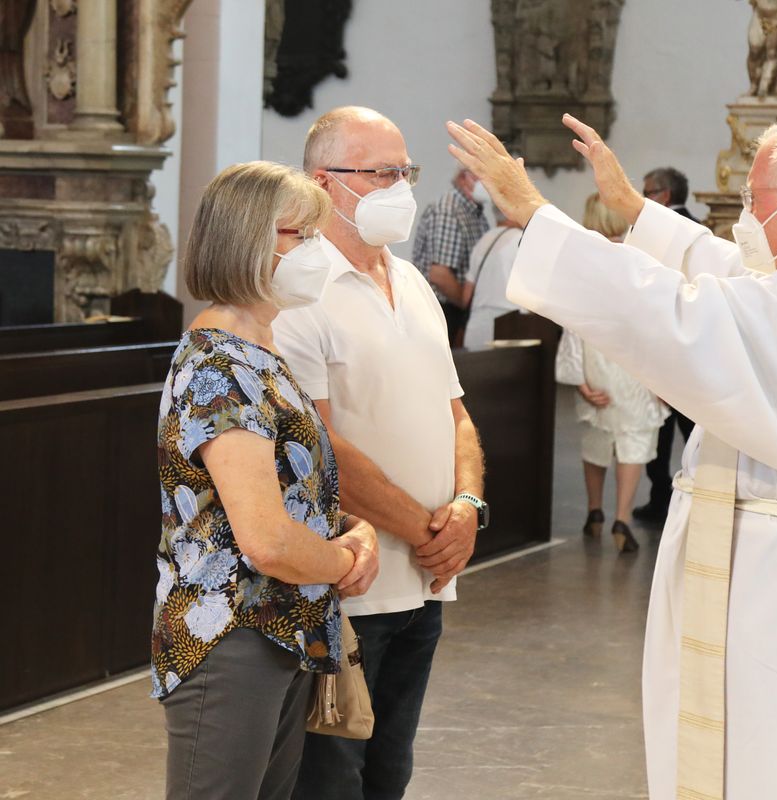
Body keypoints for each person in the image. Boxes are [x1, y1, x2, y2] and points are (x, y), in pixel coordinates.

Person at [447, 113, 777, 799]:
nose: (744, 221)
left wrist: (539, 217)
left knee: (776, 765)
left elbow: (676, 313)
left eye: (753, 204)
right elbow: (737, 283)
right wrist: (638, 216)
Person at [273, 106, 487, 800]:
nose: (400, 186)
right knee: (331, 781)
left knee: (391, 771)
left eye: (405, 171)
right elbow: (319, 445)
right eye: (381, 172)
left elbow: (455, 412)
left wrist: (465, 505)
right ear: (323, 182)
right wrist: (424, 530)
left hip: (424, 583)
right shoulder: (299, 293)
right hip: (349, 584)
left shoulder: (415, 282)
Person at [152, 160, 379, 799]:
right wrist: (341, 561)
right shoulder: (218, 367)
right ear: (246, 241)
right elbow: (266, 539)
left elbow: (295, 491)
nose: (316, 252)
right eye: (298, 236)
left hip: (284, 627)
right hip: (231, 636)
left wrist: (355, 532)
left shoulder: (265, 354)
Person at [556, 193, 669, 553]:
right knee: (633, 439)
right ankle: (622, 516)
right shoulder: (643, 259)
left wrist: (579, 380)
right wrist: (664, 375)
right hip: (633, 364)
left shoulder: (582, 261)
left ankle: (594, 512)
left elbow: (571, 320)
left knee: (596, 436)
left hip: (596, 358)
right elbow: (656, 321)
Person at [634, 167, 696, 524]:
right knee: (693, 432)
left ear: (664, 196)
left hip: (665, 353)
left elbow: (654, 298)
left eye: (647, 192)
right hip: (691, 353)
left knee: (659, 438)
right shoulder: (698, 229)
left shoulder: (660, 236)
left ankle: (661, 501)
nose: (643, 200)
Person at [410, 165, 491, 344]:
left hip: (458, 310)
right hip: (445, 311)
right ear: (464, 177)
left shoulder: (475, 212)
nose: (490, 183)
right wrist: (468, 305)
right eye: (484, 176)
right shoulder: (450, 209)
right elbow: (439, 275)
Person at [461, 205, 522, 349]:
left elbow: (465, 297)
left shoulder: (482, 242)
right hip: (510, 327)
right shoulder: (521, 240)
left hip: (477, 329)